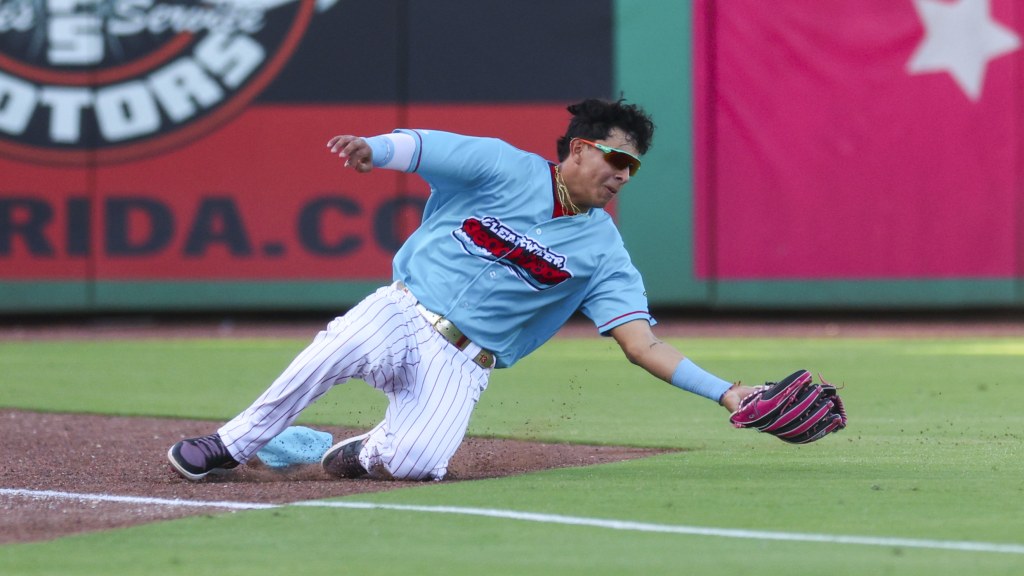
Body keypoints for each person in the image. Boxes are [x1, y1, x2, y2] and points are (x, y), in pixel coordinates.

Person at [167, 98, 762, 482]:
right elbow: (423, 146)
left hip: (465, 360)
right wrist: (373, 149)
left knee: (419, 464)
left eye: (633, 167)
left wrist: (726, 392)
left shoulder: (604, 251)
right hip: (403, 309)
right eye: (615, 157)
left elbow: (643, 344)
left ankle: (359, 451)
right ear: (580, 149)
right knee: (332, 352)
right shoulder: (504, 167)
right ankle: (229, 445)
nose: (623, 174)